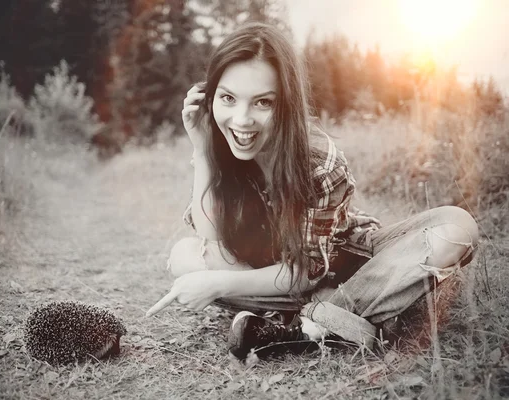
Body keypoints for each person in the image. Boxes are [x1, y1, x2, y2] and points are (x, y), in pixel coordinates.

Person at [145, 22, 479, 361]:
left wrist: (217, 284)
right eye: (228, 98)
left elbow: (304, 272)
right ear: (210, 96)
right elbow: (210, 235)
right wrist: (202, 151)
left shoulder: (319, 159)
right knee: (184, 256)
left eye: (262, 103)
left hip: (345, 264)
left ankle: (306, 322)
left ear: (286, 102)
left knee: (457, 227)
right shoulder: (220, 143)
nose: (241, 120)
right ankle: (331, 321)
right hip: (269, 272)